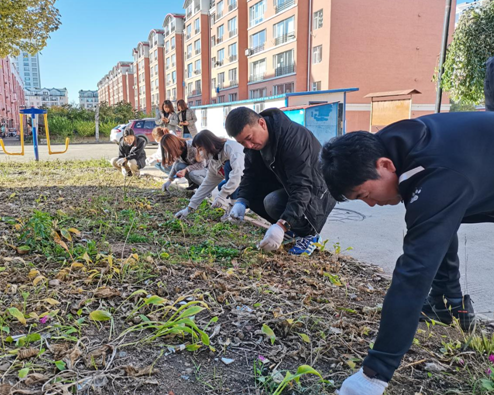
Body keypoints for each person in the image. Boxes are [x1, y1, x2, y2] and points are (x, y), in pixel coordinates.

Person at [320, 111, 494, 394]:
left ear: (384, 165)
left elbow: (414, 273)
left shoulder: (437, 175)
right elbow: (437, 229)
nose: (372, 205)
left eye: (365, 195)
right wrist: (447, 299)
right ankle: (446, 304)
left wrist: (374, 374)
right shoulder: (390, 146)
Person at [224, 107, 336, 256]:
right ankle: (293, 232)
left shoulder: (293, 139)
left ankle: (310, 235)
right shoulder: (256, 144)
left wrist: (282, 225)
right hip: (291, 185)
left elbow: (302, 187)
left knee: (273, 202)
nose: (249, 146)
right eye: (243, 143)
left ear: (262, 123)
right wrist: (241, 200)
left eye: (249, 138)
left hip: (317, 191)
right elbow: (250, 174)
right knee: (250, 195)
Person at [174, 130, 245, 219]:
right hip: (242, 183)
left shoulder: (230, 147)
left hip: (253, 182)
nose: (199, 153)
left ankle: (235, 210)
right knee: (221, 186)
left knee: (228, 167)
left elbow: (238, 173)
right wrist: (189, 208)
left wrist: (222, 195)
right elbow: (207, 184)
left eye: (200, 149)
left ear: (208, 145)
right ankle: (236, 207)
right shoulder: (214, 161)